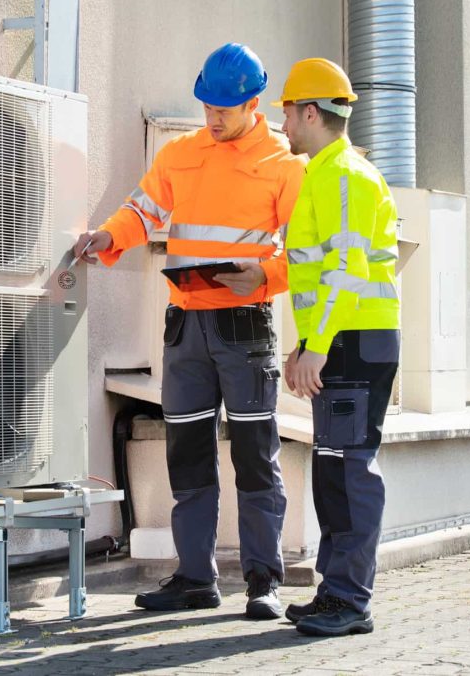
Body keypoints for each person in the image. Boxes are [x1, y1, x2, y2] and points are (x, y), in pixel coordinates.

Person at [73, 43, 306, 619]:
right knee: (188, 457)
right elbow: (143, 210)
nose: (214, 117)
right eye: (207, 106)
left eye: (225, 108)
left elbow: (306, 255)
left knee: (255, 457)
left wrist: (262, 275)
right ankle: (195, 579)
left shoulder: (284, 164)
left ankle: (262, 584)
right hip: (185, 331)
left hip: (245, 328)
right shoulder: (181, 154)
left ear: (254, 103)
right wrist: (109, 238)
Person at [275, 58, 400, 637]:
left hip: (353, 343)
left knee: (349, 472)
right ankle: (336, 593)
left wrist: (317, 347)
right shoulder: (329, 172)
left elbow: (346, 272)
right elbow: (321, 274)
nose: (283, 126)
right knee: (334, 470)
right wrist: (306, 344)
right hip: (343, 341)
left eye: (286, 112)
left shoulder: (343, 175)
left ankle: (350, 601)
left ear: (309, 111)